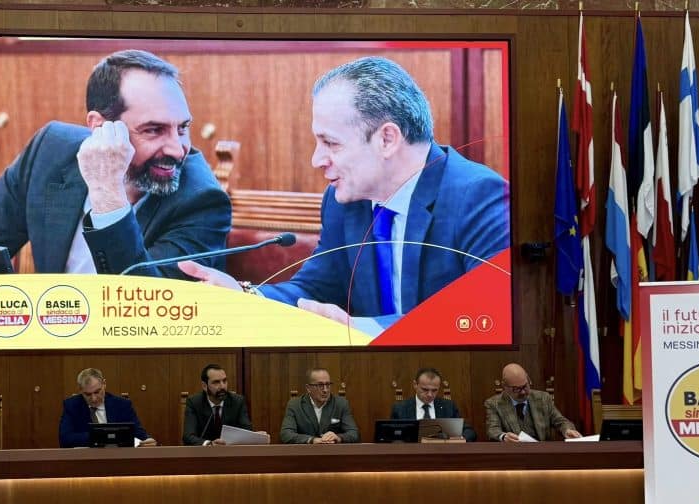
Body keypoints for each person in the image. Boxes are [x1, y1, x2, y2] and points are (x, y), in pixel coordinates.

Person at [179, 56, 509, 332]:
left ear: (387, 139)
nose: (317, 160)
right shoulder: (343, 202)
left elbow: (486, 317)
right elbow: (314, 289)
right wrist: (246, 298)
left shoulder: (478, 197)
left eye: (331, 143)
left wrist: (364, 328)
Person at [0, 49, 231, 277]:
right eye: (153, 130)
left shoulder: (203, 201)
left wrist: (108, 195)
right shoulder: (50, 151)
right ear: (100, 126)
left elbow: (143, 304)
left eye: (183, 128)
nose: (177, 148)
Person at [484, 363, 581, 442]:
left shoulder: (543, 398)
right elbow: (492, 430)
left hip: (542, 452)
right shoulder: (494, 404)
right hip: (514, 453)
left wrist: (567, 430)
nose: (523, 392)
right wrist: (503, 436)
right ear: (505, 386)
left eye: (525, 386)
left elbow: (560, 421)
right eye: (517, 389)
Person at [59, 368, 153, 447]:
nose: (94, 398)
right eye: (88, 394)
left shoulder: (122, 405)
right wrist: (102, 435)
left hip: (118, 457)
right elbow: (65, 439)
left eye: (97, 392)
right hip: (86, 458)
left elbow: (139, 433)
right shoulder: (72, 405)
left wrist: (147, 440)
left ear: (104, 384)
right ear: (80, 390)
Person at [390, 367, 477, 441]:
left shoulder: (448, 407)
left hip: (443, 452)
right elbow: (392, 435)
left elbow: (469, 432)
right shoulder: (400, 408)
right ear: (415, 385)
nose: (430, 394)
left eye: (434, 390)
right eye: (425, 390)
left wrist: (458, 440)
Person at [183, 364, 261, 446]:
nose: (222, 386)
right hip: (204, 452)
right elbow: (188, 437)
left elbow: (247, 430)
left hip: (231, 451)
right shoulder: (194, 403)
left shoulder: (237, 402)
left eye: (224, 381)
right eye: (216, 382)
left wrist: (255, 436)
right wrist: (209, 444)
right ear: (204, 386)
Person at [280, 368, 359, 444]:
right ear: (308, 388)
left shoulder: (340, 404)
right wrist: (312, 440)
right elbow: (286, 434)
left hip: (333, 451)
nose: (325, 390)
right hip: (306, 451)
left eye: (328, 384)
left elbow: (354, 434)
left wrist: (338, 437)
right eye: (320, 385)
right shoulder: (295, 405)